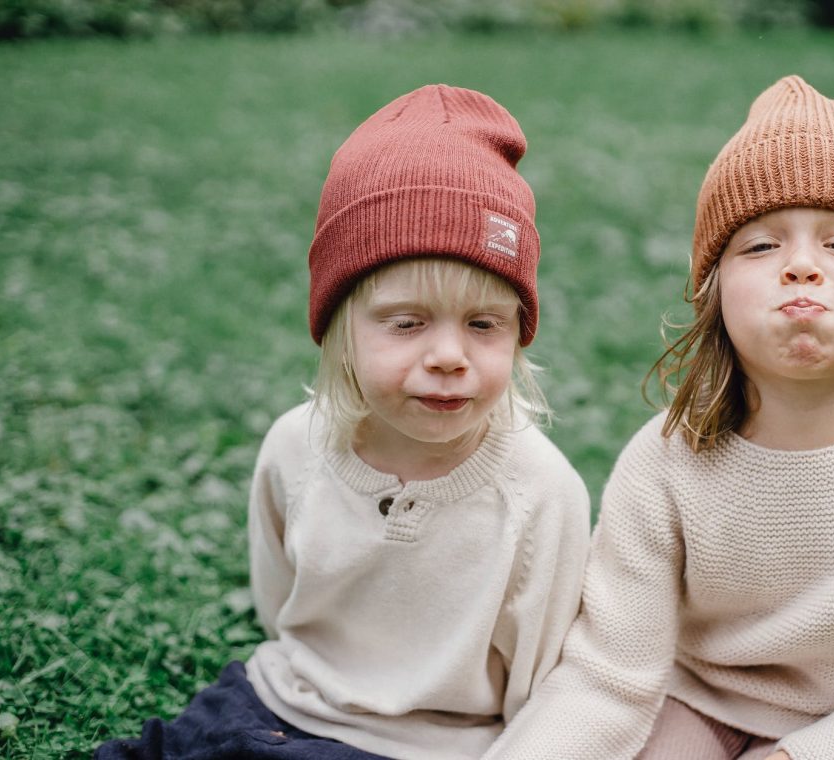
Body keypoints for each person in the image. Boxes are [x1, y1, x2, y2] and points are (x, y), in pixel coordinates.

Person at [484, 75, 834, 760]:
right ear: (717, 306)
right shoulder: (664, 462)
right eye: (760, 247)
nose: (801, 265)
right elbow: (609, 675)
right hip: (696, 700)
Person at [96, 84, 591, 760]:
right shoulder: (296, 446)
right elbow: (279, 596)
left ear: (519, 334)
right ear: (340, 330)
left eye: (483, 324)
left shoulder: (540, 490)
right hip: (275, 701)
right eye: (407, 322)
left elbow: (543, 679)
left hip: (425, 748)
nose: (449, 356)